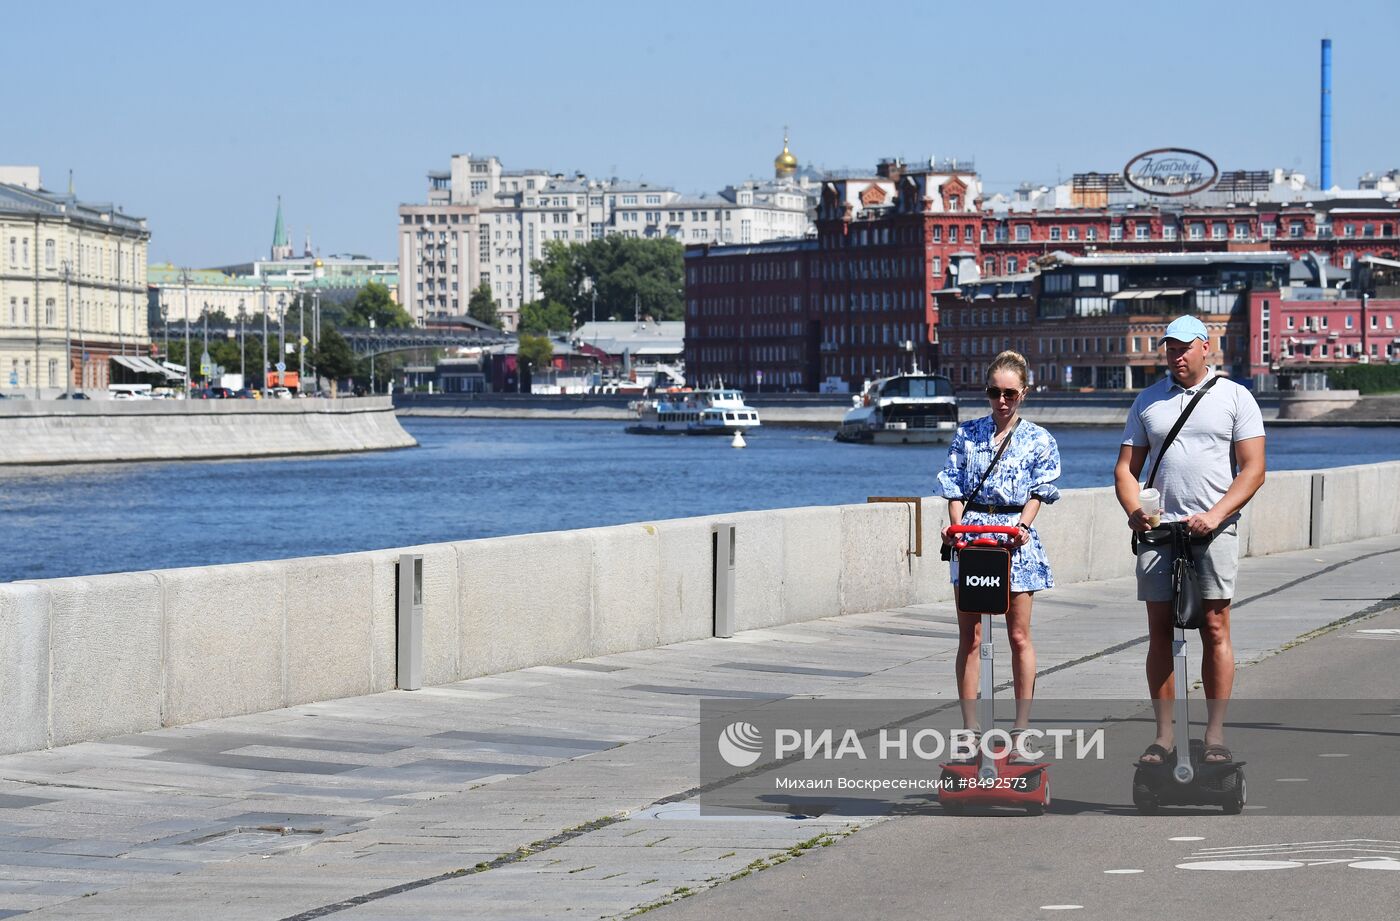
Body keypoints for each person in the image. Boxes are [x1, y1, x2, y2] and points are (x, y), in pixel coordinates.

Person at [1114, 315, 1266, 765]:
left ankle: (1214, 736)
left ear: (1206, 348)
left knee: (1215, 628)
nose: (1176, 356)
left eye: (1184, 347)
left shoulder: (1236, 397)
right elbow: (1126, 469)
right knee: (1159, 632)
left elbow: (1253, 469)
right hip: (1160, 532)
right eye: (1169, 348)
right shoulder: (1148, 401)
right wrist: (1134, 511)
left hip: (1213, 532)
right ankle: (1163, 738)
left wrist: (1216, 515)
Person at [937, 350, 1061, 745]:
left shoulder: (1040, 439)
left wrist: (1024, 524)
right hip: (973, 536)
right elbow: (953, 486)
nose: (1002, 401)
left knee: (1018, 635)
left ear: (1023, 393)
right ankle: (970, 727)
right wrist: (957, 528)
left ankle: (1021, 726)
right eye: (994, 392)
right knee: (970, 636)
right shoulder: (967, 433)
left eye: (1009, 393)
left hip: (1015, 539)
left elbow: (1041, 489)